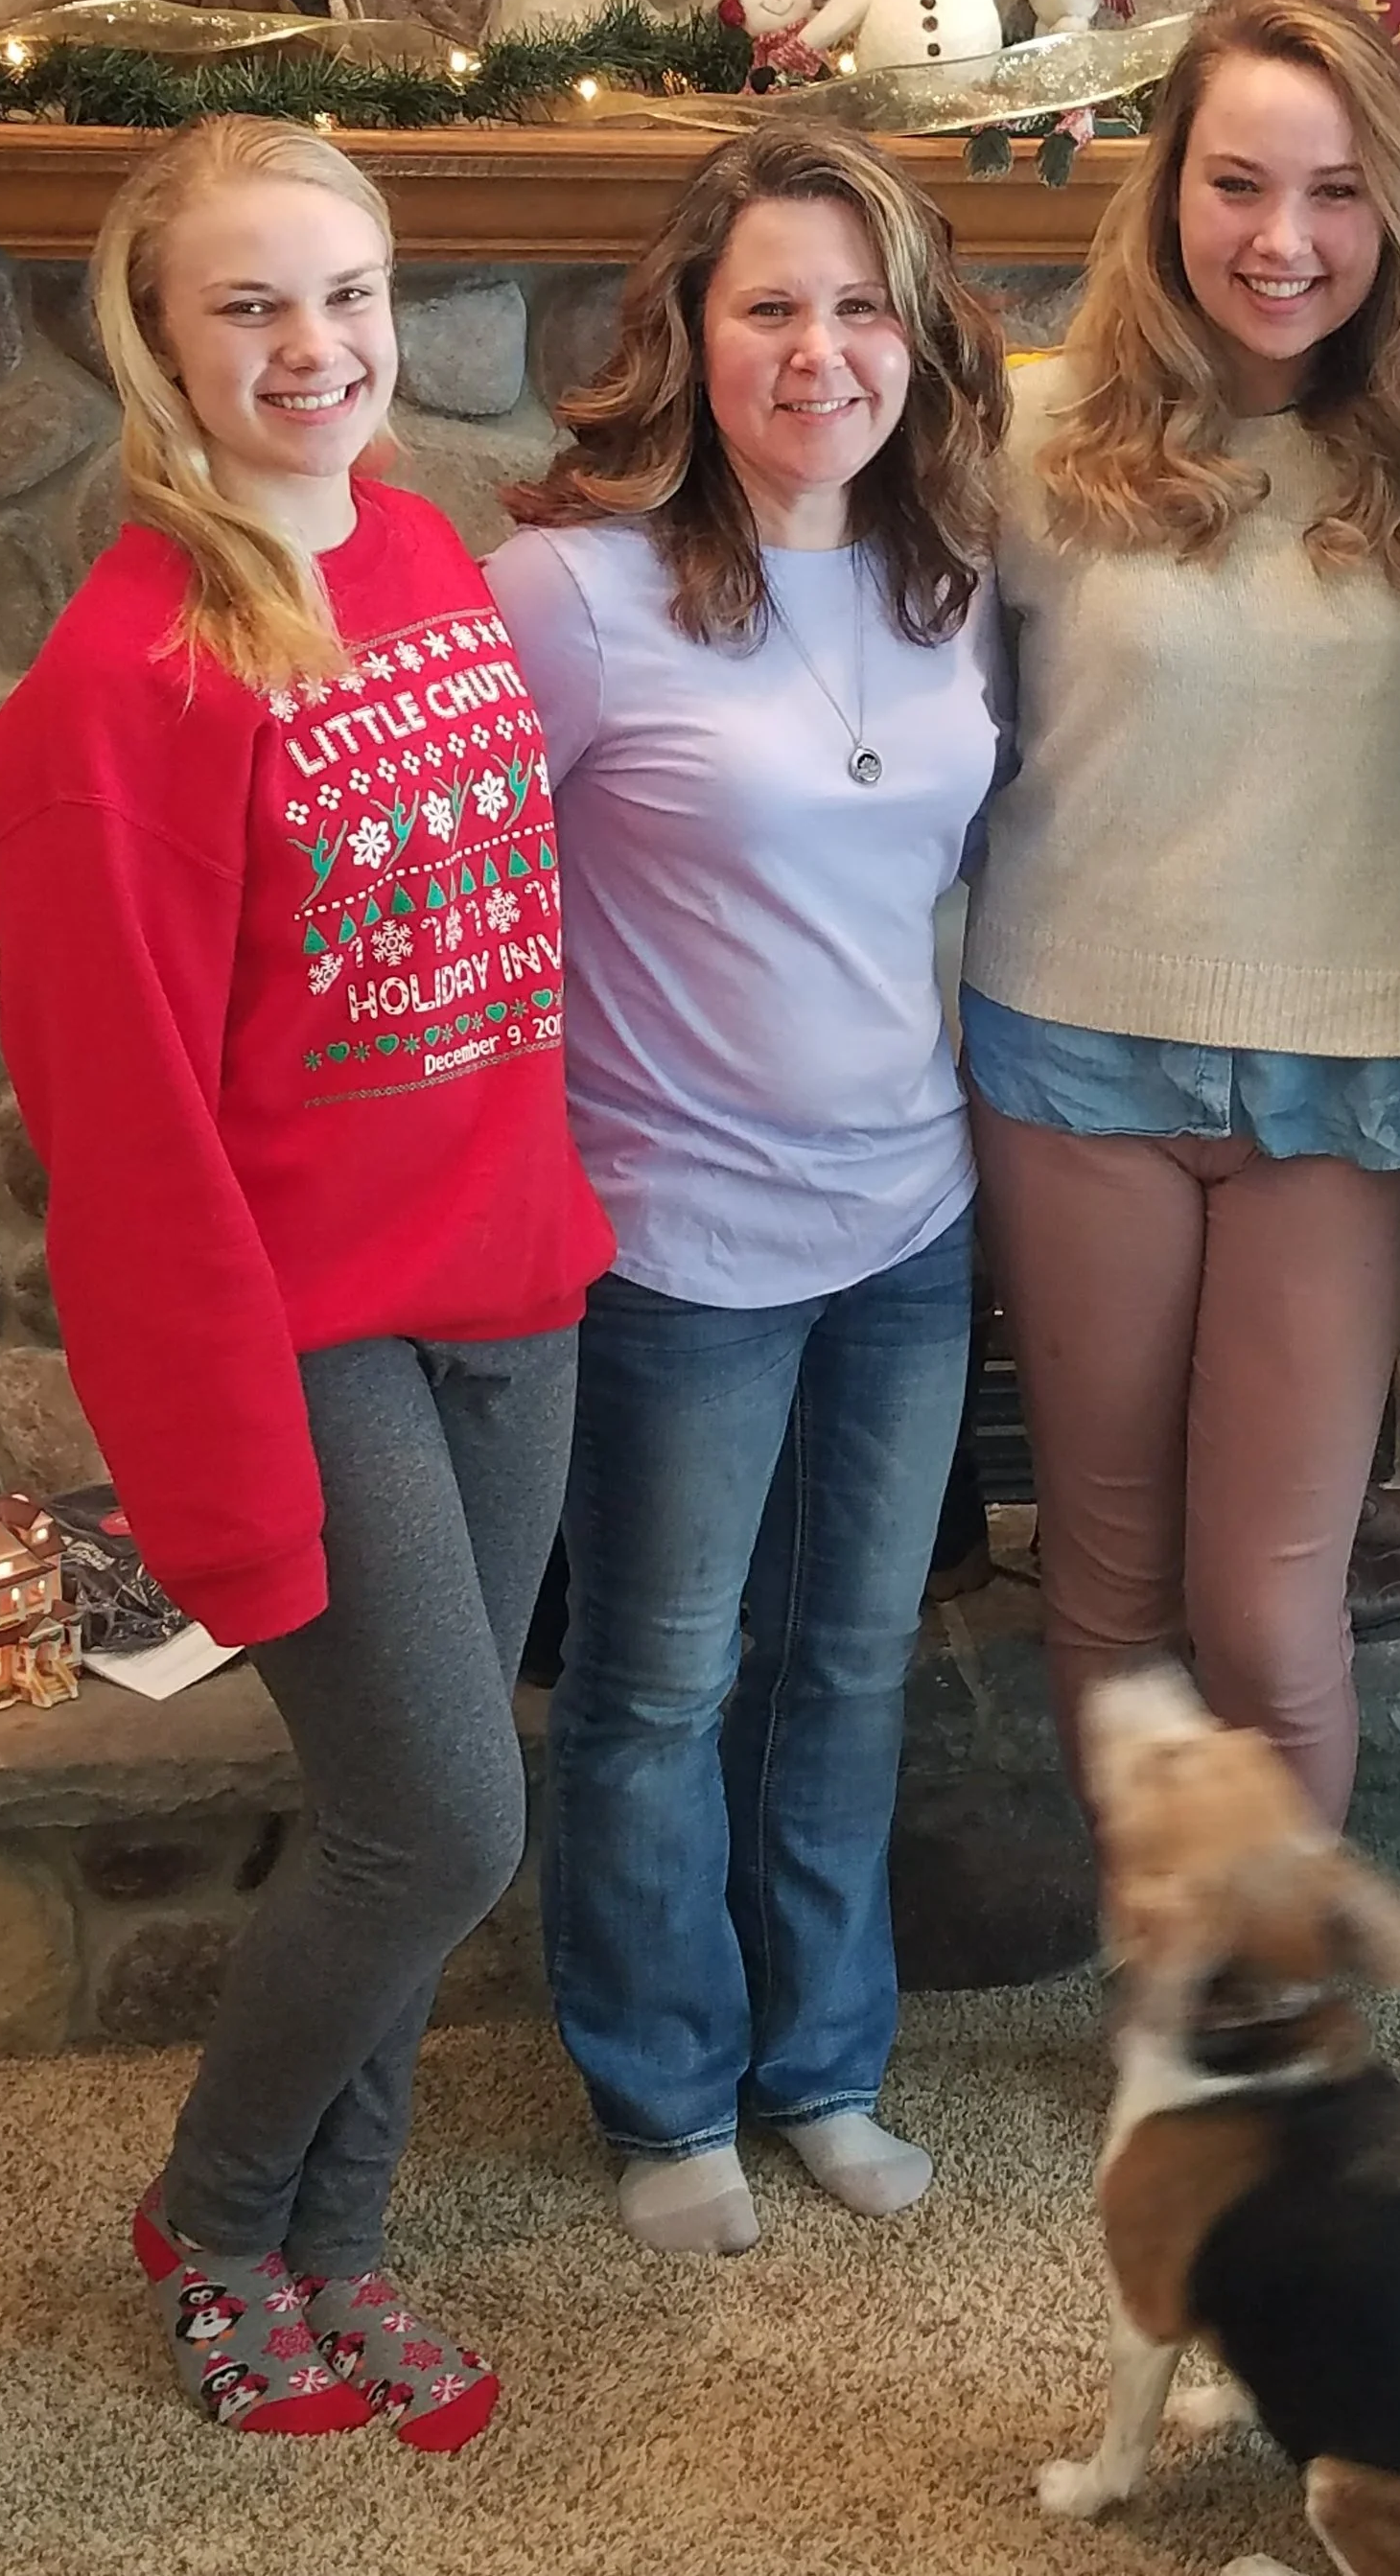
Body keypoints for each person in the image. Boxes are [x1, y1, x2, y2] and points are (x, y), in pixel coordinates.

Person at [0, 115, 611, 2443]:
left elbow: (493, 959)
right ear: (158, 339)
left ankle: (347, 2250)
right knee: (436, 1817)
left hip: (510, 1300)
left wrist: (558, 1247)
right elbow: (126, 1145)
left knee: (419, 1829)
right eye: (250, 305)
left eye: (344, 294)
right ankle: (221, 2223)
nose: (314, 348)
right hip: (309, 1337)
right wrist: (225, 1477)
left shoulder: (434, 552)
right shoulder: (120, 684)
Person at [485, 121, 1006, 2260]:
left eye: (859, 304)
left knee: (854, 1661)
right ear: (689, 337)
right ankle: (665, 2086)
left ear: (914, 338)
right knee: (658, 1681)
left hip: (910, 1221)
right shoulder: (575, 597)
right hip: (673, 1243)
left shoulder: (949, 579)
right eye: (770, 305)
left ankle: (821, 2063)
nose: (820, 351)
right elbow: (456, 917)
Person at [962, 0, 1400, 1827]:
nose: (1281, 239)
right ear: (1165, 190)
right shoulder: (1022, 444)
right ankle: (1178, 2025)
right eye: (1238, 182)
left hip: (1343, 1070)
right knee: (1107, 1587)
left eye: (1335, 191)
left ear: (1393, 213)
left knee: (1268, 1612)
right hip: (1073, 1046)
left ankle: (1282, 2054)